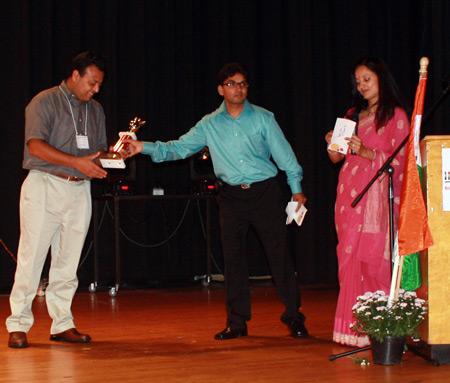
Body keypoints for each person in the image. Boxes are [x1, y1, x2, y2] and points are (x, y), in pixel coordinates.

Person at [123, 63, 309, 340]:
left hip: (264, 193)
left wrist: (296, 189)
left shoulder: (263, 118)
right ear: (221, 89)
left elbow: (286, 158)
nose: (239, 89)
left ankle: (294, 317)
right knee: (233, 260)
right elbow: (178, 147)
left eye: (243, 84)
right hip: (231, 196)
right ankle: (236, 322)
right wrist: (142, 147)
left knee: (279, 257)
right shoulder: (209, 123)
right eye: (232, 84)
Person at [6, 51, 109, 348]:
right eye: (92, 82)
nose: (96, 89)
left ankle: (62, 324)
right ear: (75, 75)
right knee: (32, 258)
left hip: (79, 190)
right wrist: (76, 163)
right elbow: (35, 146)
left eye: (99, 84)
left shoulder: (96, 110)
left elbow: (99, 150)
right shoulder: (45, 101)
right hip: (45, 186)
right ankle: (18, 324)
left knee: (68, 261)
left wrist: (114, 155)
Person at [325, 57, 410, 347]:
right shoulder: (352, 116)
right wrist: (332, 142)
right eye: (358, 81)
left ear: (381, 79)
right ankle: (352, 330)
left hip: (377, 199)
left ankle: (382, 330)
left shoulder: (396, 115)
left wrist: (368, 152)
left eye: (367, 79)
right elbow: (335, 157)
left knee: (374, 262)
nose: (361, 86)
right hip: (349, 197)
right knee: (349, 257)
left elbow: (403, 161)